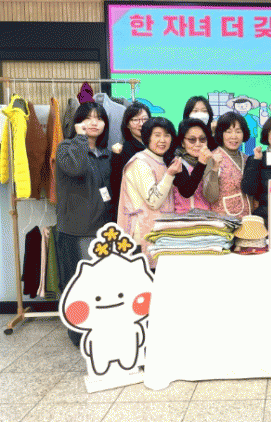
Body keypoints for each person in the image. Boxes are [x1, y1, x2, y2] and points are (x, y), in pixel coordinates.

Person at [55, 102, 113, 346]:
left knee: (100, 287)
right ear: (78, 122)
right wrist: (79, 138)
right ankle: (78, 336)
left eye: (99, 118)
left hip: (102, 229)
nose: (94, 122)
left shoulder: (104, 153)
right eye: (88, 118)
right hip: (77, 231)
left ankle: (98, 331)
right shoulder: (65, 148)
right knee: (79, 287)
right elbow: (76, 169)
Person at [117, 117, 182, 264]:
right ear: (147, 137)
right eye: (157, 135)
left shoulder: (162, 160)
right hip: (142, 237)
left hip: (159, 234)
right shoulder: (140, 162)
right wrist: (170, 174)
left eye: (167, 135)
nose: (162, 140)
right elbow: (153, 201)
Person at [203, 112, 254, 217]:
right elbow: (210, 197)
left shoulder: (247, 159)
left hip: (248, 221)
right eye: (228, 132)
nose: (234, 136)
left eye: (238, 131)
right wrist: (215, 169)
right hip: (224, 221)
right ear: (221, 134)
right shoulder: (212, 158)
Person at [110, 102, 151, 215]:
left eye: (145, 119)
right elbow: (117, 185)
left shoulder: (157, 147)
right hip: (135, 209)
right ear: (127, 124)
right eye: (135, 120)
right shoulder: (123, 150)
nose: (141, 124)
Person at [172, 119, 214, 213]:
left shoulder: (210, 160)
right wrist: (201, 163)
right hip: (186, 217)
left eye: (202, 139)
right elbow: (187, 191)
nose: (198, 144)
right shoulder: (177, 163)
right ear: (183, 143)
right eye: (192, 140)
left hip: (208, 216)